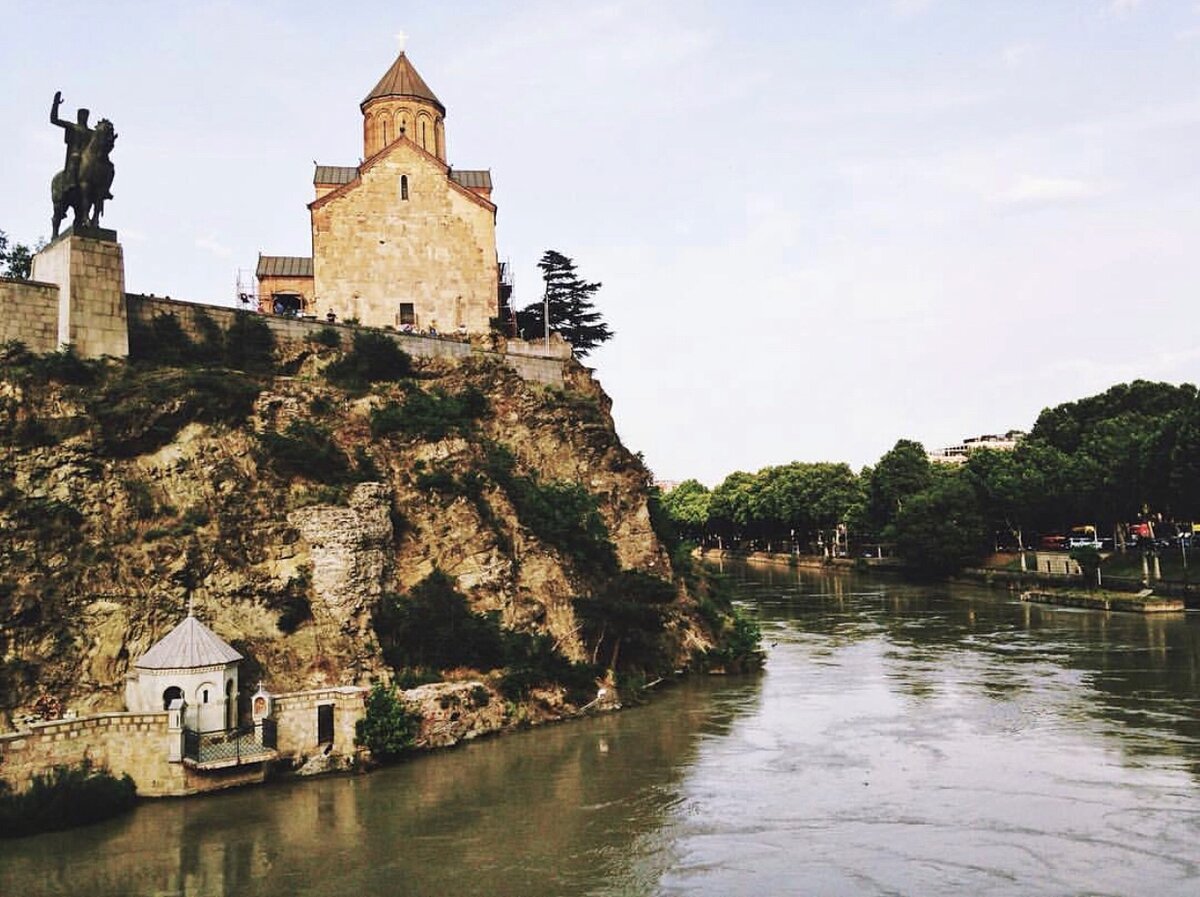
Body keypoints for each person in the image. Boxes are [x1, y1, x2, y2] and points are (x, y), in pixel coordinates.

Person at [50, 91, 92, 201]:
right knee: (76, 157)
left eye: (85, 115)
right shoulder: (73, 127)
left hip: (88, 158)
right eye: (81, 115)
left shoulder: (92, 133)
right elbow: (54, 120)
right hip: (76, 155)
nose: (83, 117)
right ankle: (71, 183)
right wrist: (55, 104)